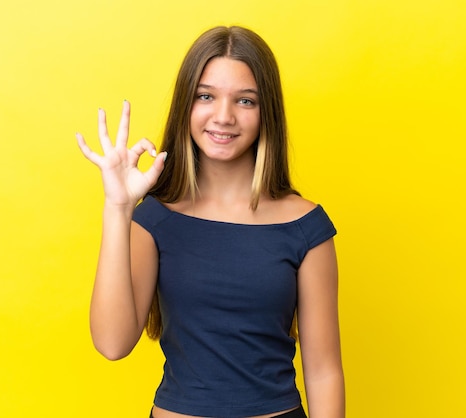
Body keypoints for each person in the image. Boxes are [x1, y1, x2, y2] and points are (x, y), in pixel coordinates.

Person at [76, 26, 344, 418]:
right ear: (187, 103)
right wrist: (119, 208)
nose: (223, 116)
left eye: (245, 101)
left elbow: (323, 373)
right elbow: (112, 344)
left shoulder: (306, 226)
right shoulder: (156, 219)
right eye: (206, 96)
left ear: (265, 110)